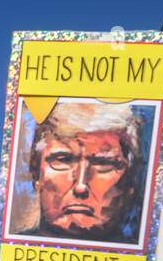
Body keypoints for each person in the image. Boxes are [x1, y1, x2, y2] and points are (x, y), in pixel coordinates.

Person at [16, 102, 145, 245]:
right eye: (63, 160)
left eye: (103, 163)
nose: (81, 187)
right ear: (36, 174)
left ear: (129, 185)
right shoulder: (10, 256)